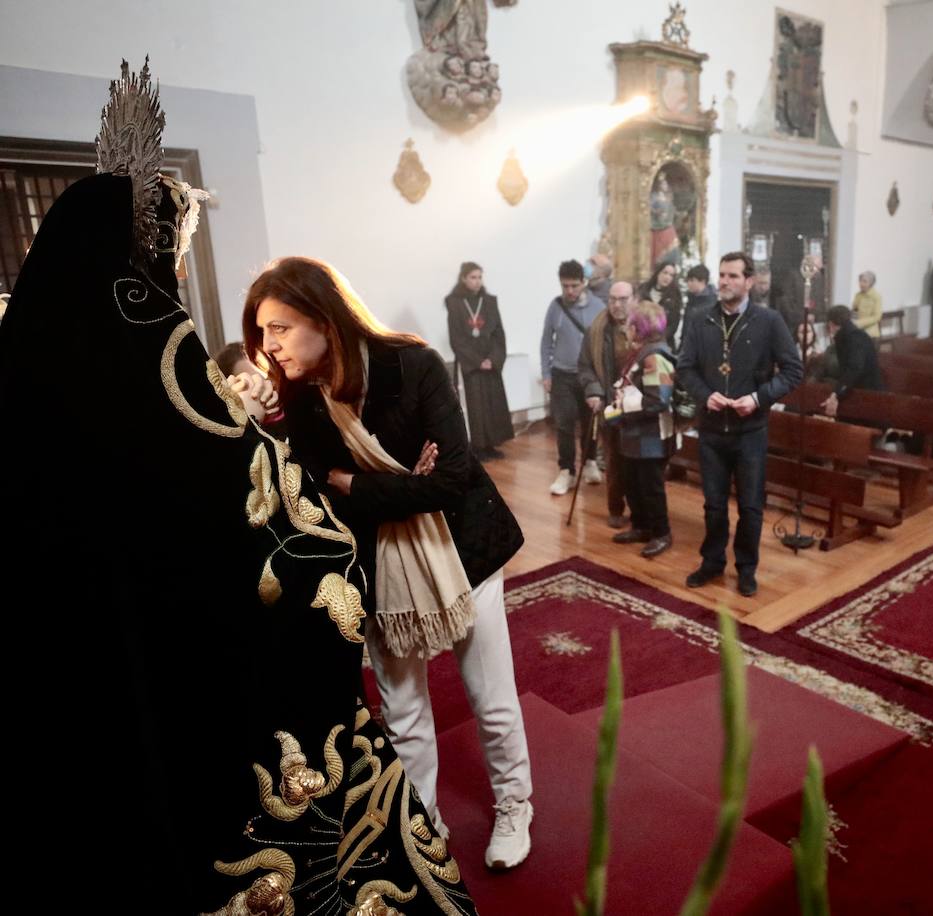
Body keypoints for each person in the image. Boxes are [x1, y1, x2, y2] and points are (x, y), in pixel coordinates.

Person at [0, 61, 475, 911]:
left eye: (279, 330)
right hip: (198, 684)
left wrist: (327, 478)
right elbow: (307, 542)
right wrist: (319, 483)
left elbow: (440, 476)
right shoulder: (165, 373)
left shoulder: (29, 388)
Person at [245, 256, 534, 872]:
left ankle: (515, 805)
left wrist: (356, 483)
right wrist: (386, 483)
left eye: (280, 328)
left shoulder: (412, 363)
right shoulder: (301, 400)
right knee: (402, 712)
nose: (268, 346)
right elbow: (311, 498)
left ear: (325, 319)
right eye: (262, 331)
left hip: (463, 550)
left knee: (492, 697)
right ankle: (424, 826)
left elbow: (453, 479)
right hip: (379, 563)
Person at [678, 251, 803, 597]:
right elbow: (685, 367)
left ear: (749, 282)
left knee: (750, 505)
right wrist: (705, 395)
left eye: (732, 276)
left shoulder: (769, 321)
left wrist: (759, 398)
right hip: (713, 430)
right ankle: (712, 561)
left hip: (751, 432)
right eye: (722, 275)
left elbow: (794, 371)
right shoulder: (700, 319)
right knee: (713, 504)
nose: (724, 282)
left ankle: (746, 568)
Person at [604, 300, 676, 558]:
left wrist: (623, 405)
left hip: (652, 437)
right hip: (634, 436)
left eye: (631, 324)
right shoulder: (641, 352)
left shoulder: (655, 357)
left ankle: (661, 533)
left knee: (651, 487)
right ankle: (641, 526)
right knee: (633, 484)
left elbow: (659, 400)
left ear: (639, 328)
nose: (626, 329)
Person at [542, 259, 606, 494]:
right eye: (565, 286)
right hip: (562, 375)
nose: (569, 291)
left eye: (574, 286)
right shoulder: (555, 306)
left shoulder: (598, 306)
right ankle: (566, 470)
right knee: (564, 423)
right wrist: (546, 373)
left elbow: (604, 344)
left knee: (589, 422)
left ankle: (589, 462)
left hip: (589, 376)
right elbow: (546, 341)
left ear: (584, 283)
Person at [579, 279, 635, 529]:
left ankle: (640, 511)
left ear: (633, 299)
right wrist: (593, 391)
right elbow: (585, 366)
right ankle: (615, 508)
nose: (616, 304)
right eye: (612, 299)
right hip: (610, 407)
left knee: (637, 460)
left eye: (623, 299)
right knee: (614, 459)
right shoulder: (596, 330)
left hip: (637, 407)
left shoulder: (643, 327)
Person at [445, 261, 514, 460]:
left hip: (490, 361)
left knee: (492, 404)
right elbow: (456, 338)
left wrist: (493, 358)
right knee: (475, 406)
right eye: (473, 277)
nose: (477, 281)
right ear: (464, 279)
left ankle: (491, 444)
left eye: (479, 277)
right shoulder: (454, 303)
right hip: (471, 364)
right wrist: (477, 361)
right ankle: (476, 447)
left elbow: (498, 333)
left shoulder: (489, 301)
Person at [821, 305, 882, 417]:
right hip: (858, 391)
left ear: (831, 324)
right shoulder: (853, 335)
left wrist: (836, 394)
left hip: (868, 396)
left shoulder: (853, 338)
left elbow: (854, 369)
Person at [639, 259, 684, 349]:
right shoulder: (643, 289)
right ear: (658, 273)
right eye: (665, 272)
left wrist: (657, 339)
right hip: (641, 341)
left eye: (671, 275)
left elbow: (673, 325)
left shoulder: (675, 296)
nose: (667, 277)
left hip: (663, 343)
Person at [851, 270, 883, 338]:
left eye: (864, 281)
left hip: (871, 333)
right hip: (857, 330)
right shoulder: (858, 295)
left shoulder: (876, 296)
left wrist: (860, 323)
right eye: (860, 281)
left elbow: (877, 317)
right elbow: (854, 311)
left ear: (871, 283)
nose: (861, 283)